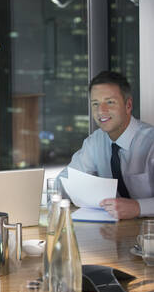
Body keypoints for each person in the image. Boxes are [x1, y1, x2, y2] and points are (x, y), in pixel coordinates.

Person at [59, 71, 154, 219]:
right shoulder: (95, 142)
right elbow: (66, 180)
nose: (101, 111)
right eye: (95, 104)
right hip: (111, 233)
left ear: (128, 105)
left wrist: (138, 207)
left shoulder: (151, 143)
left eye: (109, 102)